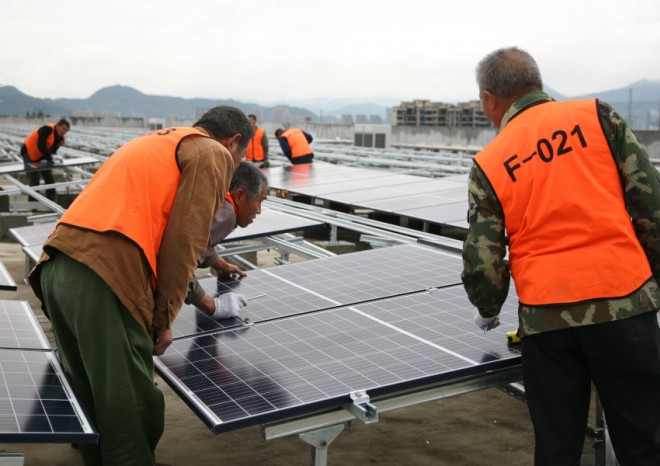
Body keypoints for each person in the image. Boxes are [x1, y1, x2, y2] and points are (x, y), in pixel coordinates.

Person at [461, 46, 660, 466]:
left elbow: (484, 255)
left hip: (548, 319)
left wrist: (487, 307)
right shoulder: (597, 116)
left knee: (557, 447)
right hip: (624, 302)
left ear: (489, 99)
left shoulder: (490, 160)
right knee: (645, 441)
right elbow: (651, 206)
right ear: (536, 83)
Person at [28, 106, 253, 466]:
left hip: (57, 265)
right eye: (240, 156)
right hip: (104, 275)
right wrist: (164, 317)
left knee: (90, 396)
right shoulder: (213, 152)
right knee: (129, 406)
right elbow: (184, 241)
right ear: (234, 141)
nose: (236, 164)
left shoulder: (158, 140)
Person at [186, 161, 269, 316]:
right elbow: (176, 264)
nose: (258, 210)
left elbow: (198, 241)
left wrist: (219, 264)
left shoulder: (217, 201)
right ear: (239, 196)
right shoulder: (226, 216)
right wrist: (212, 305)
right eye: (259, 200)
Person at [20, 118, 70, 200]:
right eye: (63, 128)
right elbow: (41, 145)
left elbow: (53, 150)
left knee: (49, 176)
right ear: (58, 126)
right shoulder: (47, 129)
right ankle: (33, 203)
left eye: (66, 130)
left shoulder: (60, 139)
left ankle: (51, 199)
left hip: (41, 155)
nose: (64, 131)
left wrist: (54, 158)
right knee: (34, 177)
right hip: (29, 151)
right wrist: (51, 157)